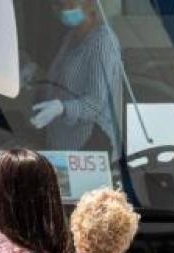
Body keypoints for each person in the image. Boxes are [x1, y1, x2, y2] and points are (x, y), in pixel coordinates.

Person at [30, 0, 124, 157]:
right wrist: (34, 73)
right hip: (62, 145)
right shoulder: (70, 38)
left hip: (89, 149)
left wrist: (63, 108)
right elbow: (61, 83)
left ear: (91, 4)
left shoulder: (103, 41)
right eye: (60, 5)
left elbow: (95, 103)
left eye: (70, 4)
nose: (64, 11)